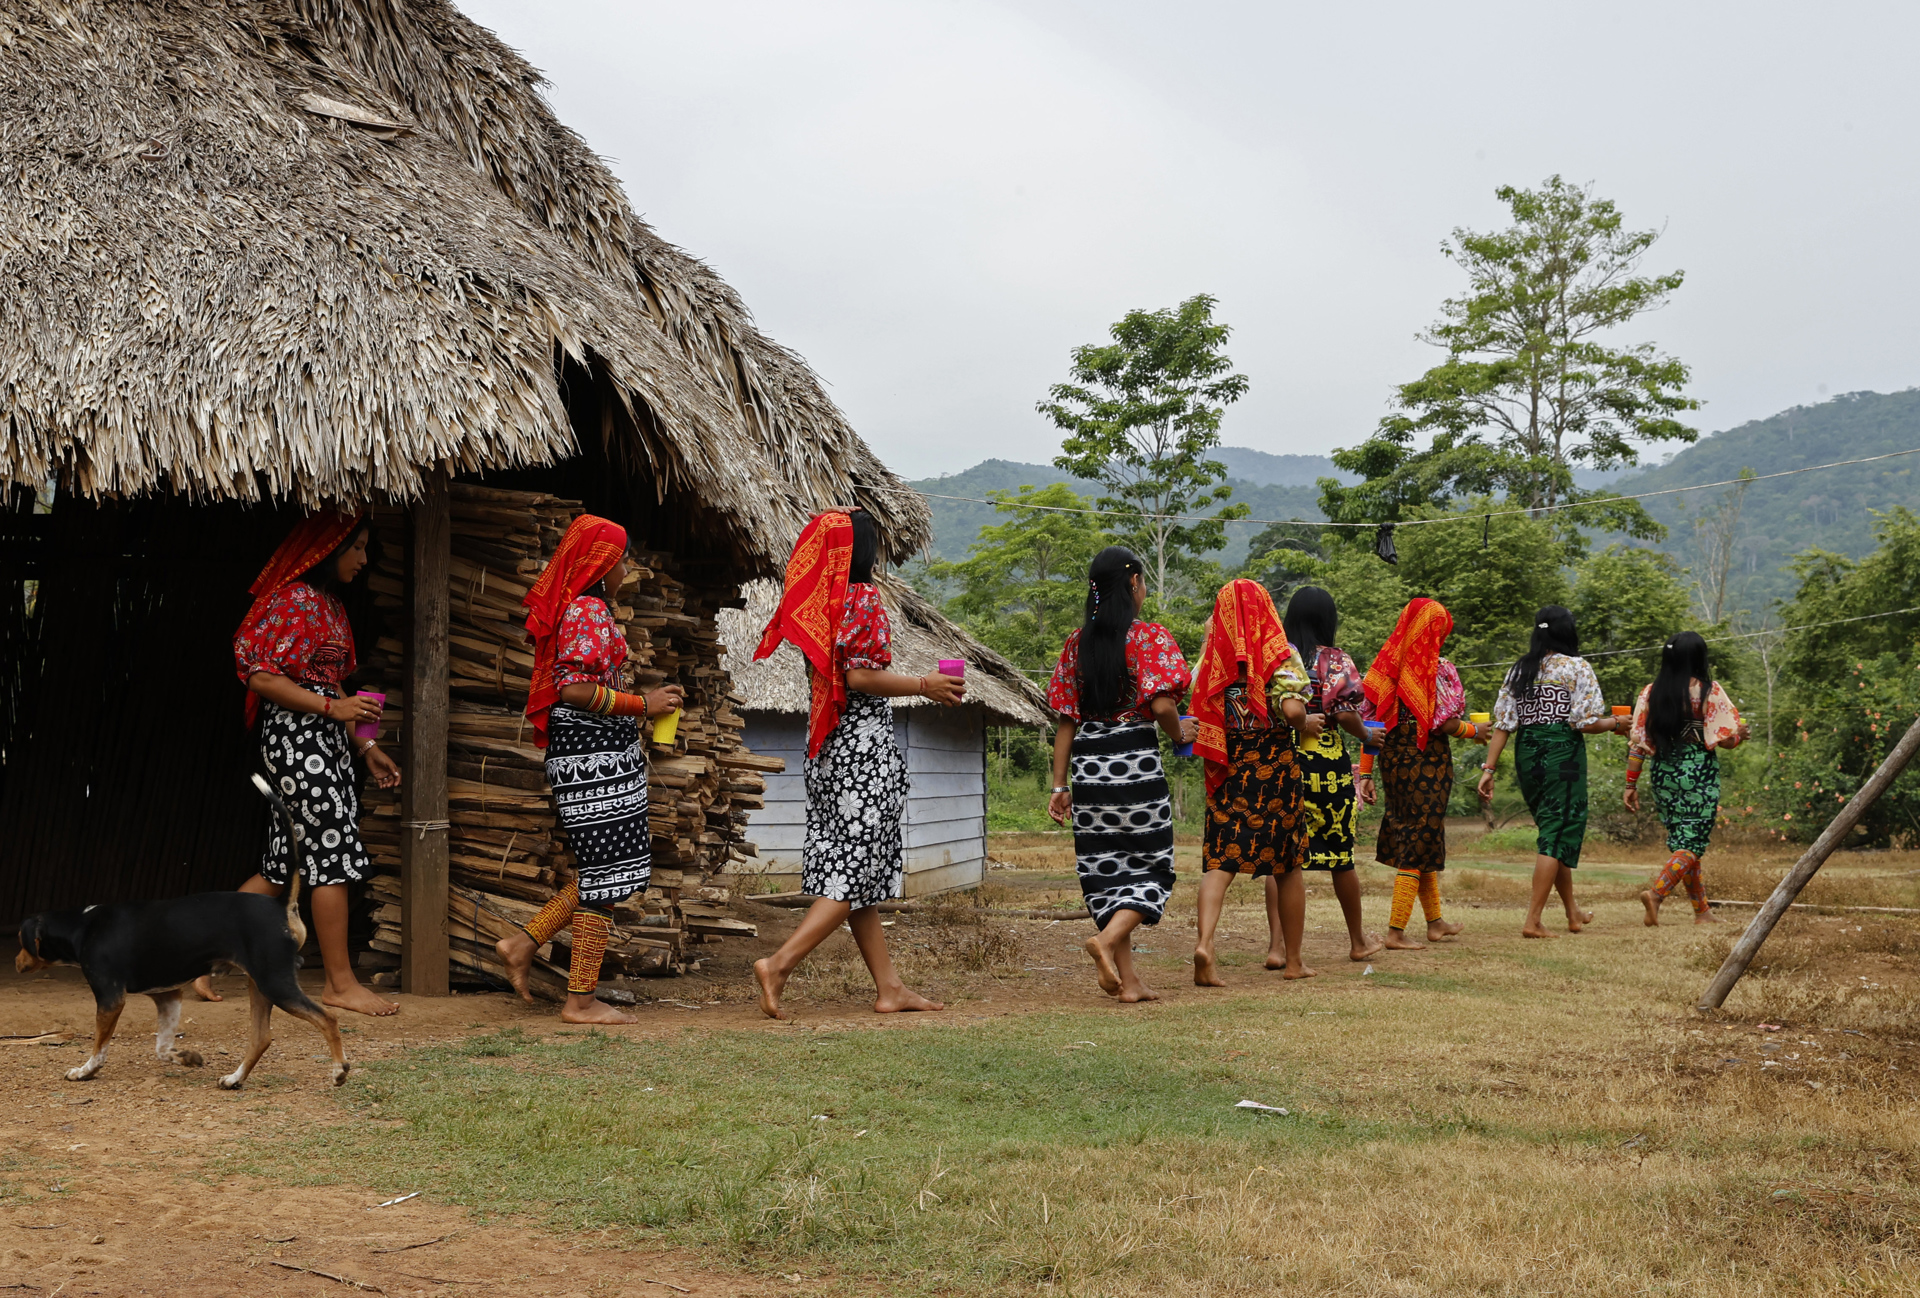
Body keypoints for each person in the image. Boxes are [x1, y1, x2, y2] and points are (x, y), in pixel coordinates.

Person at [750, 509, 964, 1020]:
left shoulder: (817, 604)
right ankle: (778, 965)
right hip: (862, 754)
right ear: (864, 551)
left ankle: (890, 987)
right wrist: (924, 685)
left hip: (827, 749)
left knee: (856, 870)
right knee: (854, 870)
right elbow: (860, 678)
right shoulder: (861, 597)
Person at [196, 511, 403, 1016]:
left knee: (279, 865)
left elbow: (329, 683)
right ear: (328, 548)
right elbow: (263, 677)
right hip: (296, 741)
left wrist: (367, 748)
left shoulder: (327, 604)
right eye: (357, 547)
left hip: (324, 741)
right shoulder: (294, 600)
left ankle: (197, 956)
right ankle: (339, 984)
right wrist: (334, 710)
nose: (364, 558)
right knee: (331, 853)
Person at [493, 514, 684, 1024]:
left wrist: (642, 703)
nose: (627, 570)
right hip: (593, 759)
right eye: (623, 560)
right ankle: (580, 1000)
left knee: (609, 869)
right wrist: (642, 705)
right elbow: (575, 690)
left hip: (597, 755)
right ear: (603, 563)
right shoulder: (588, 609)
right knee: (607, 874)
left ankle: (521, 944)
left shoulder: (583, 608)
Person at [1046, 547, 1194, 1003]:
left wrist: (1059, 785)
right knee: (1153, 868)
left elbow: (1066, 721)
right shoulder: (1149, 638)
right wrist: (1179, 731)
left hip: (1089, 767)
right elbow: (1163, 705)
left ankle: (1129, 982)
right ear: (1133, 584)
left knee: (1109, 870)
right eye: (1142, 582)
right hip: (1135, 764)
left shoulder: (1077, 644)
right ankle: (1106, 941)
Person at [1190, 579, 1318, 986]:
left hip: (1229, 764)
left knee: (1220, 860)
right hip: (1274, 765)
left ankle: (1205, 944)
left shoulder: (1212, 657)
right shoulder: (1280, 652)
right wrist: (1303, 720)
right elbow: (1293, 710)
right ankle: (1293, 961)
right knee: (1288, 865)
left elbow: (1198, 701)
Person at [1478, 606, 1630, 938]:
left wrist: (1489, 768)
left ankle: (1572, 912)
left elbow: (1504, 724)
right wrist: (1617, 723)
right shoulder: (1577, 667)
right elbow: (1585, 723)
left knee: (1553, 829)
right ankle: (1533, 921)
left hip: (1528, 754)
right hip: (1562, 754)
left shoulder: (1520, 669)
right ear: (1567, 632)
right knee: (1555, 832)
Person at [1362, 597, 1482, 950]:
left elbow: (1370, 724)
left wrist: (1365, 773)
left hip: (1392, 760)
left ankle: (1435, 922)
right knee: (1419, 838)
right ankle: (1396, 931)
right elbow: (1444, 723)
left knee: (1419, 833)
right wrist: (1476, 731)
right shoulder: (1439, 670)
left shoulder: (1383, 669)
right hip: (1428, 759)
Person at [1284, 586, 1384, 963]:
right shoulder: (1334, 659)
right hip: (1325, 762)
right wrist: (1366, 734)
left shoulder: (1278, 655)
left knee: (1283, 858)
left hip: (1285, 758)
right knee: (1340, 854)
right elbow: (1343, 713)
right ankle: (1358, 940)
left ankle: (1278, 948)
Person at [1625, 631, 1749, 926]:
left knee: (1684, 843)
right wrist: (1740, 736)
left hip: (1663, 774)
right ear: (1698, 657)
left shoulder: (1650, 693)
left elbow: (1639, 742)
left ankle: (1702, 912)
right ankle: (1656, 894)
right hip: (1698, 774)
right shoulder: (1709, 691)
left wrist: (1630, 784)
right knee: (1693, 843)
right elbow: (1726, 740)